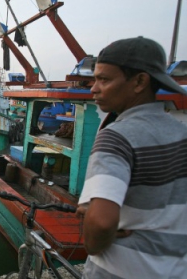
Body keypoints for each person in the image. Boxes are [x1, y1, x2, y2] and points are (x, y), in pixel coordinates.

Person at [77, 37, 187, 278]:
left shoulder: (116, 137)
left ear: (139, 82)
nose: (93, 88)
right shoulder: (182, 133)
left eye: (104, 79)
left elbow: (102, 222)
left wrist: (94, 233)